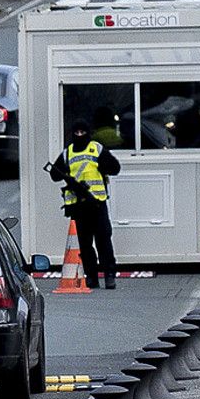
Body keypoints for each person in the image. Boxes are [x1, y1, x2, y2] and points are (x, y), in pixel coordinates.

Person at [50, 120, 120, 289]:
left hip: (97, 203)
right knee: (85, 245)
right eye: (77, 133)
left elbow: (115, 168)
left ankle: (109, 275)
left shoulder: (96, 148)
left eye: (83, 133)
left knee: (103, 240)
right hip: (78, 207)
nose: (80, 136)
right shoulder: (68, 153)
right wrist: (68, 178)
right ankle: (92, 277)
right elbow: (55, 174)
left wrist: (103, 166)